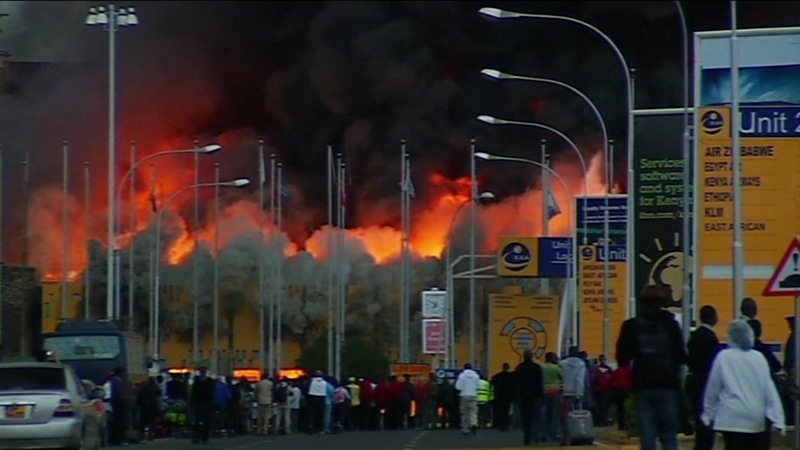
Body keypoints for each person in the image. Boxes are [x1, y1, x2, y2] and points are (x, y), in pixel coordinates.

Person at [616, 285, 687, 450]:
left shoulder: (631, 325)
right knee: (669, 435)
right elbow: (681, 356)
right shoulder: (671, 325)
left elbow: (622, 358)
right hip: (667, 385)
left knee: (647, 435)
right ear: (662, 302)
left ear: (643, 303)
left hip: (643, 385)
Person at [702, 320, 786, 449]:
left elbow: (713, 388)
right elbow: (769, 390)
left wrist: (708, 413)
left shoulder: (723, 357)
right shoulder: (759, 358)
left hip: (731, 417)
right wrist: (777, 418)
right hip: (755, 418)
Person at [686, 305, 720, 450]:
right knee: (708, 421)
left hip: (693, 381)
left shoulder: (694, 336)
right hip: (706, 382)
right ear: (714, 318)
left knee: (699, 418)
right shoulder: (711, 338)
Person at [514, 348, 544, 446]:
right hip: (535, 396)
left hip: (523, 397)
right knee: (535, 417)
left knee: (525, 418)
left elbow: (517, 383)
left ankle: (527, 436)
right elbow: (540, 383)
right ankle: (535, 435)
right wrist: (541, 396)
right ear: (532, 356)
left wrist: (517, 396)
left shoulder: (520, 368)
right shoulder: (537, 368)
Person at [189, 367, 216, 444]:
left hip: (207, 404)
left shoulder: (210, 382)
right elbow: (193, 394)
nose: (203, 373)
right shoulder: (197, 382)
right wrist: (192, 403)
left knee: (207, 422)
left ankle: (205, 438)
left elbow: (212, 393)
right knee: (197, 422)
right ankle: (196, 437)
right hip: (199, 404)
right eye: (201, 372)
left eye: (204, 372)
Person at [541, 352, 562, 442]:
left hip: (544, 391)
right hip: (555, 391)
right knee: (555, 414)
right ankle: (554, 433)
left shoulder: (542, 368)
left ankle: (544, 433)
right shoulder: (556, 368)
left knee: (545, 413)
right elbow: (562, 377)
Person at [455, 364, 480, 435]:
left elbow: (458, 387)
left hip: (464, 396)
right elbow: (479, 386)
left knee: (464, 413)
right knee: (473, 412)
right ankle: (473, 424)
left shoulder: (462, 376)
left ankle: (465, 429)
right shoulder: (476, 376)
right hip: (473, 395)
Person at [491, 362, 514, 432]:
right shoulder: (512, 376)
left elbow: (492, 382)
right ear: (508, 367)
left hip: (499, 396)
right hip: (508, 397)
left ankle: (501, 425)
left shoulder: (497, 376)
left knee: (501, 411)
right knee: (507, 411)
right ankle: (506, 425)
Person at [593, 354, 613, 426]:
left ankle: (602, 420)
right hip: (604, 390)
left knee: (601, 406)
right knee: (604, 406)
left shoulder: (596, 369)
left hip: (600, 390)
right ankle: (604, 420)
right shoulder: (608, 369)